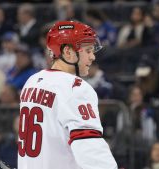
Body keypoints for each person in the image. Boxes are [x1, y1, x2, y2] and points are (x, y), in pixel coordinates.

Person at [17, 21, 117, 169]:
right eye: (88, 51)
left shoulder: (31, 82)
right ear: (68, 52)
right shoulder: (75, 88)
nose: (92, 57)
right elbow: (89, 145)